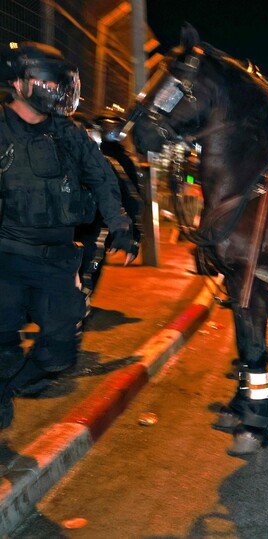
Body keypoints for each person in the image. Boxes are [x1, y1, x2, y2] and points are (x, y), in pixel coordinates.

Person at [0, 43, 136, 427]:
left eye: (63, 83)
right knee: (3, 346)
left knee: (60, 354)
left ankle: (8, 386)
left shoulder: (68, 133)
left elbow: (102, 178)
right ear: (18, 82)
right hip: (7, 256)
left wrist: (121, 224)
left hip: (58, 258)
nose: (58, 90)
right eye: (49, 81)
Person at [74, 114, 143, 301]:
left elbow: (129, 198)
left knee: (86, 273)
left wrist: (131, 236)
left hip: (96, 228)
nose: (110, 132)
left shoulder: (113, 162)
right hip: (58, 234)